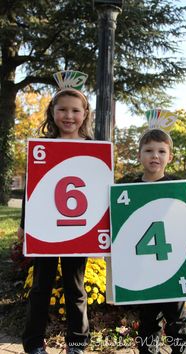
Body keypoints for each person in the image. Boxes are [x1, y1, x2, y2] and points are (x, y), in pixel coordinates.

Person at [17, 85, 93, 354]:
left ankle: (77, 344)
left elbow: (99, 193)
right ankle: (34, 343)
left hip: (77, 231)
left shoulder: (95, 149)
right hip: (46, 229)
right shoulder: (43, 147)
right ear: (53, 112)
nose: (69, 116)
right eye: (62, 109)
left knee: (76, 289)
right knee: (41, 288)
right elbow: (32, 191)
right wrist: (25, 224)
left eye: (75, 110)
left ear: (85, 114)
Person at [135, 129, 186, 354]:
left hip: (172, 267)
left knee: (177, 321)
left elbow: (183, 227)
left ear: (170, 157)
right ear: (139, 155)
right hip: (145, 269)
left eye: (161, 151)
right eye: (148, 151)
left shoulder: (178, 187)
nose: (154, 156)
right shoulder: (127, 188)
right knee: (148, 323)